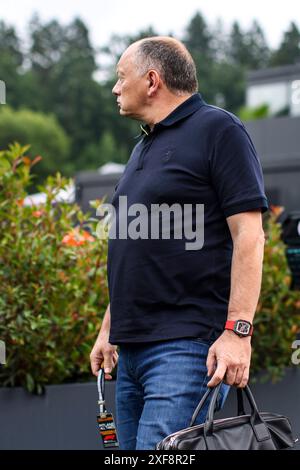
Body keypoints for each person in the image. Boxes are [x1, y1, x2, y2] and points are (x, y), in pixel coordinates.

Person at [90, 36, 268, 450]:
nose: (115, 89)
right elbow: (140, 246)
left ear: (152, 80)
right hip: (132, 353)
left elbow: (250, 235)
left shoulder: (219, 130)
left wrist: (238, 333)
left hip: (185, 350)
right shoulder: (142, 147)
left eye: (121, 78)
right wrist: (108, 329)